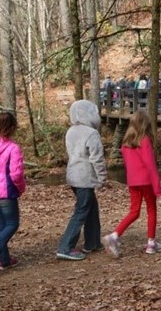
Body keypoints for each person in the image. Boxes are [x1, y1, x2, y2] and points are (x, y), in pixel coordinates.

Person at [102, 111, 161, 258]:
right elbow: (150, 165)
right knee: (151, 209)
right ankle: (151, 243)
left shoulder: (126, 143)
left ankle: (115, 235)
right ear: (145, 125)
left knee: (134, 211)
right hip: (146, 181)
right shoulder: (145, 140)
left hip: (133, 182)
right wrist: (157, 186)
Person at [57, 100, 107, 261]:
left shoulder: (71, 131)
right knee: (81, 211)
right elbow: (97, 158)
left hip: (73, 175)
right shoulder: (91, 133)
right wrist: (102, 178)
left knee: (91, 208)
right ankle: (65, 247)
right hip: (85, 177)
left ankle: (92, 242)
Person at [0, 112, 25, 271]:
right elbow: (16, 174)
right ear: (12, 127)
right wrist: (21, 188)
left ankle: (4, 260)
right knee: (12, 224)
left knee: (2, 224)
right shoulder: (13, 148)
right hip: (5, 192)